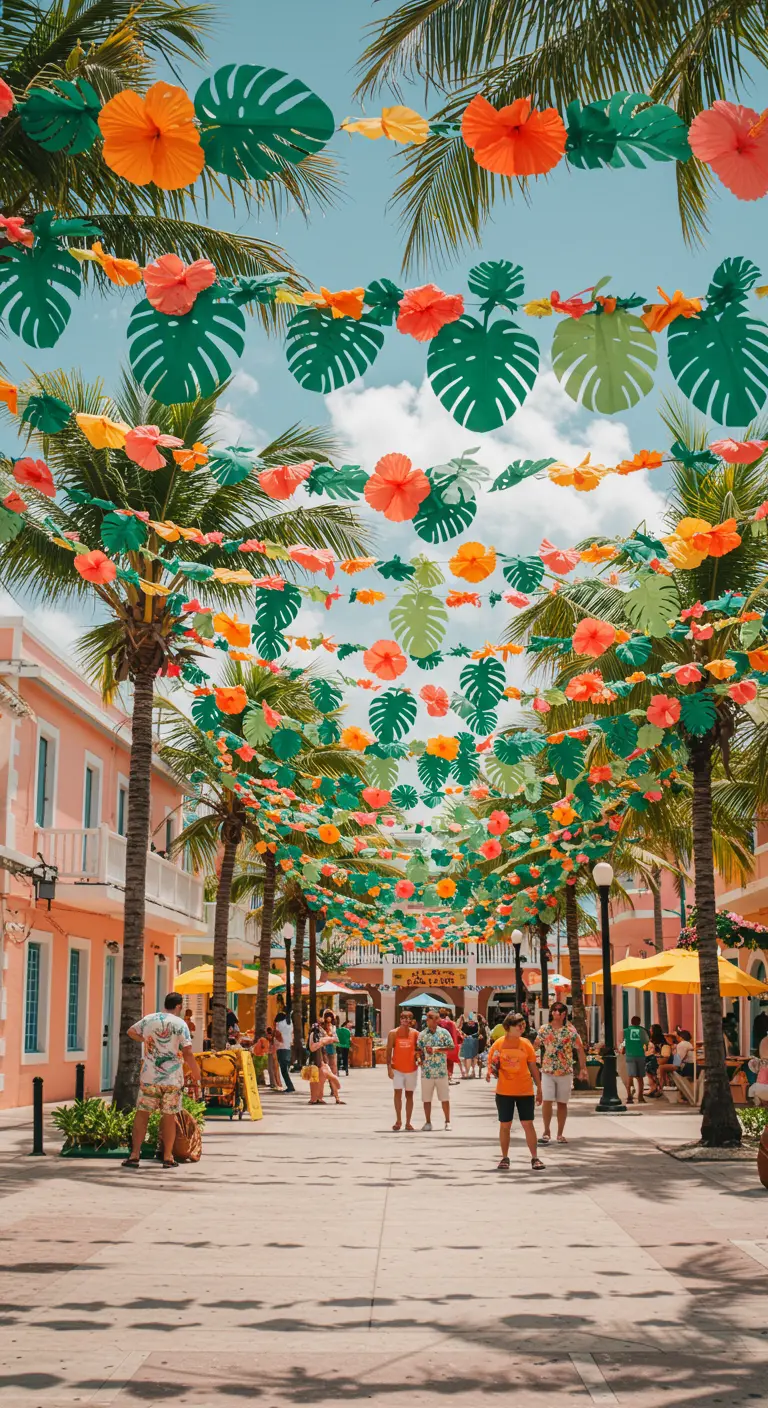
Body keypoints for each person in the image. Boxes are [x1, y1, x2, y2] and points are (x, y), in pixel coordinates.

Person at [123, 992, 201, 1170]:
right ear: (179, 1006)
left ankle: (135, 1155)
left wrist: (145, 1040)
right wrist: (197, 1074)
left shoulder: (150, 1019)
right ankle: (167, 1156)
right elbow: (188, 1052)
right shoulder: (180, 1024)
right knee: (169, 1116)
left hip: (149, 1076)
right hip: (172, 1079)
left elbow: (131, 1031)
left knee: (142, 1113)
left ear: (165, 1004)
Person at [487, 1013, 544, 1172]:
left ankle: (534, 1157)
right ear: (508, 1027)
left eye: (523, 1025)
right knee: (505, 1125)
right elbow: (492, 1065)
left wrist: (539, 1088)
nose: (521, 1028)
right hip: (504, 1091)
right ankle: (504, 1157)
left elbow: (533, 1067)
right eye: (518, 1025)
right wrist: (492, 1070)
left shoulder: (526, 1044)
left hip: (525, 1090)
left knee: (528, 1124)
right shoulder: (498, 1044)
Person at [535, 1000, 587, 1144]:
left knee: (562, 1103)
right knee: (547, 1101)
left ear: (564, 1014)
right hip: (548, 1071)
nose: (557, 1012)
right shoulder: (544, 1029)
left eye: (560, 1010)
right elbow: (535, 1045)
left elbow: (580, 1049)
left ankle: (560, 1133)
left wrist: (583, 1068)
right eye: (555, 1009)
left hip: (565, 1071)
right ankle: (546, 1131)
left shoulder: (570, 1031)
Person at [417, 1009, 454, 1130]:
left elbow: (451, 1047)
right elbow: (418, 1049)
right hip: (427, 1071)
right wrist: (419, 1059)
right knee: (426, 1099)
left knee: (444, 1098)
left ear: (437, 1020)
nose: (431, 1021)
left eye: (433, 1019)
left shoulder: (444, 1033)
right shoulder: (422, 1034)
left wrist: (437, 1049)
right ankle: (428, 1122)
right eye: (429, 1019)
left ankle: (447, 1121)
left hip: (441, 1071)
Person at [386, 1009, 419, 1131]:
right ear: (400, 1019)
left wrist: (419, 1057)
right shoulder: (393, 1033)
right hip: (397, 1069)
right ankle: (398, 1120)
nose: (406, 1020)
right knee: (397, 1094)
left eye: (409, 1018)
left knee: (409, 1095)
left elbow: (419, 1049)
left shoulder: (415, 1033)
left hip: (411, 1069)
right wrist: (389, 1068)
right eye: (404, 1018)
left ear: (412, 1021)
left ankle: (408, 1122)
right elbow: (389, 1051)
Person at [308, 1020, 345, 1106]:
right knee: (320, 1081)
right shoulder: (316, 1036)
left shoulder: (318, 1036)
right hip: (319, 1064)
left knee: (318, 1082)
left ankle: (316, 1098)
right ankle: (316, 1098)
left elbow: (334, 1039)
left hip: (318, 1063)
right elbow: (313, 1047)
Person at [621, 1015, 649, 1104]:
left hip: (629, 1055)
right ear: (639, 1022)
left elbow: (622, 1042)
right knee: (640, 1077)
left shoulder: (626, 1031)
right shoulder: (642, 1031)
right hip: (640, 1055)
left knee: (630, 1076)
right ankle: (640, 1097)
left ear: (631, 1022)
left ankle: (629, 1097)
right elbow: (646, 1043)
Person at [438, 1007, 461, 1085]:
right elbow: (455, 1034)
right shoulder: (451, 1023)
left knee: (441, 1062)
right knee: (449, 1063)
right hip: (449, 1045)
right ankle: (448, 1078)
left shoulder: (436, 1023)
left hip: (439, 1045)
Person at [275, 1009, 295, 1093]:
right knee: (285, 1068)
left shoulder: (278, 1024)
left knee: (283, 1069)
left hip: (281, 1048)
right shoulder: (289, 1024)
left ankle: (290, 1086)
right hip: (288, 1047)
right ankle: (290, 1086)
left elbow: (278, 1035)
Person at [645, 1023, 666, 1097]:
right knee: (648, 1067)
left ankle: (653, 1087)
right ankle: (654, 1087)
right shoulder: (662, 1039)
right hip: (658, 1059)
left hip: (657, 1059)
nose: (650, 1030)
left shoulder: (653, 1041)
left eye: (651, 1029)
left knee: (648, 1068)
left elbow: (653, 1052)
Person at [460, 1011, 480, 1078]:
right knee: (468, 1058)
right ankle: (470, 1072)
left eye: (472, 1021)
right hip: (469, 1042)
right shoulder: (466, 1024)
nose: (471, 1022)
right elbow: (461, 1031)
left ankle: (469, 1072)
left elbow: (479, 1032)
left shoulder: (476, 1025)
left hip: (472, 1042)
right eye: (470, 1021)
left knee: (471, 1057)